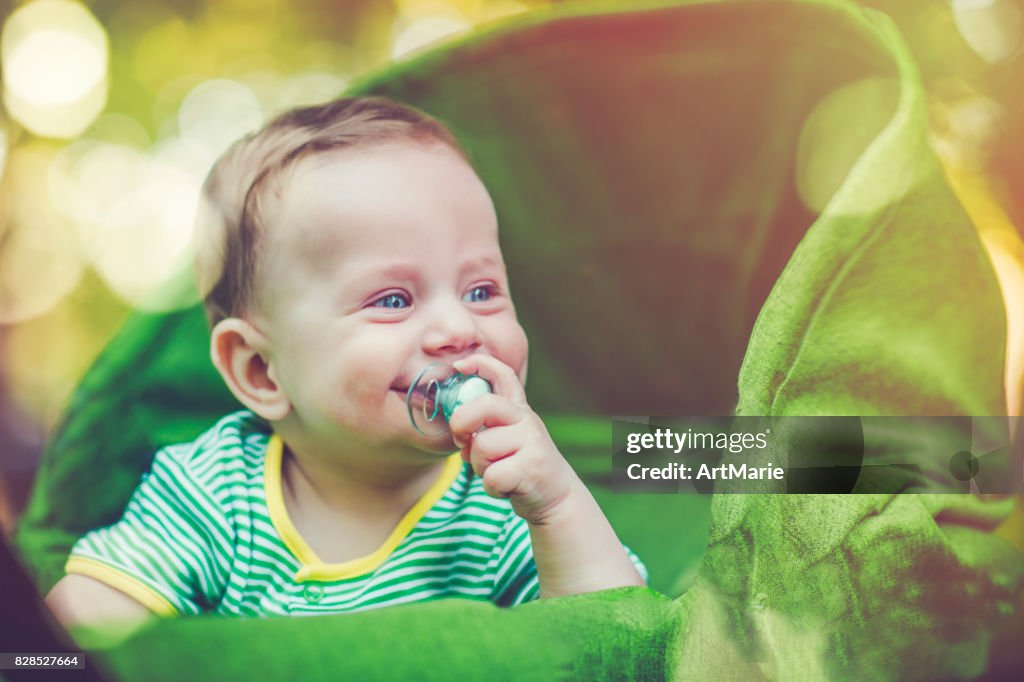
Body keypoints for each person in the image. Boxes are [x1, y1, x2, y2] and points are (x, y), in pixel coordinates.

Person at [45, 96, 646, 638]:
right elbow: (72, 639)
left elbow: (617, 642)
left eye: (482, 289)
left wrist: (558, 506)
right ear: (260, 371)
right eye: (392, 300)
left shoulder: (500, 504)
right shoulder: (215, 494)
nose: (460, 329)